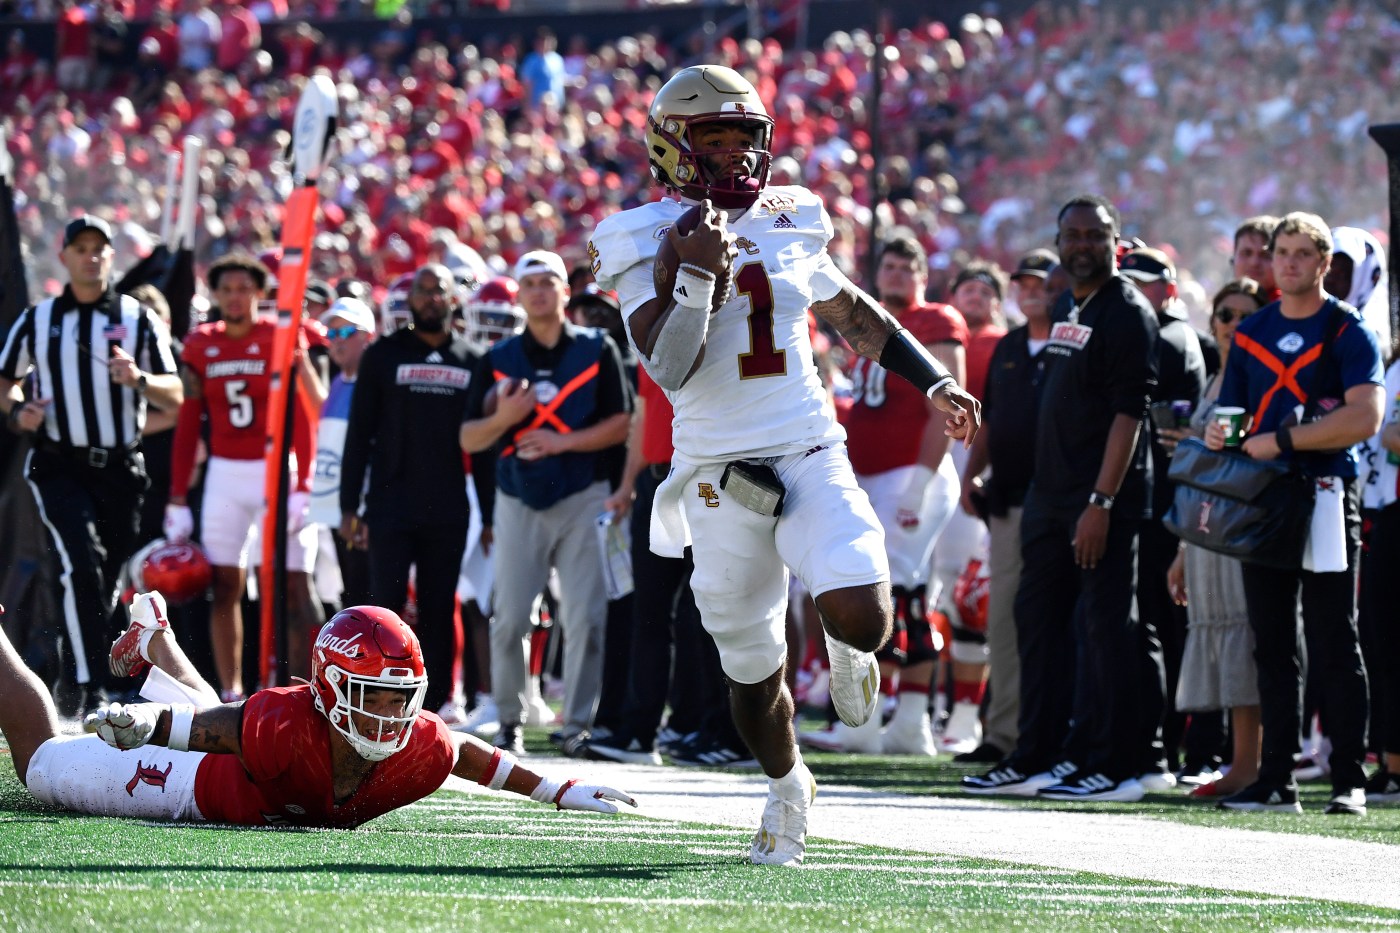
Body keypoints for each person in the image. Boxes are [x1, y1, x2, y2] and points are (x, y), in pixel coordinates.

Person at [587, 64, 979, 865]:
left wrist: (932, 378)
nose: (733, 156)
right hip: (714, 470)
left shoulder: (793, 214)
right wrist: (696, 278)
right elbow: (670, 366)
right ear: (671, 146)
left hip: (806, 443)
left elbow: (848, 312)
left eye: (744, 139)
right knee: (751, 664)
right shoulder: (635, 235)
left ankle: (843, 642)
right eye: (714, 140)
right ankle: (788, 782)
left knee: (867, 609)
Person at [0, 595, 634, 826]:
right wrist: (151, 726)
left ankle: (158, 638)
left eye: (402, 697)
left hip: (236, 751)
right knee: (39, 763)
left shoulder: (418, 744)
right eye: (374, 696)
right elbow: (217, 730)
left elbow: (468, 754)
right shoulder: (287, 721)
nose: (391, 717)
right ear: (329, 689)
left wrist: (558, 788)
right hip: (197, 781)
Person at [962, 194, 1159, 803]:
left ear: (1114, 242)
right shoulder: (1073, 303)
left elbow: (1130, 415)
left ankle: (1118, 763)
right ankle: (1038, 754)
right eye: (1071, 234)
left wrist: (1100, 501)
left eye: (1093, 235)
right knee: (1037, 624)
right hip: (1048, 494)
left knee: (1104, 628)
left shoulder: (1128, 312)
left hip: (1098, 500)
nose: (1080, 245)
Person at [1205, 211, 1383, 816]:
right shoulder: (1252, 332)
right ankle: (1276, 780)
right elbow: (1231, 419)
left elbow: (1365, 419)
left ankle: (1348, 779)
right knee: (1272, 640)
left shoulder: (1347, 329)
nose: (1287, 262)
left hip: (1329, 494)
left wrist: (1282, 441)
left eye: (1303, 253)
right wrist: (1217, 435)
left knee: (1335, 636)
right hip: (1265, 498)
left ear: (1325, 264)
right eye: (1281, 251)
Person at [0, 215, 182, 715]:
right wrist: (19, 410)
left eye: (98, 248)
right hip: (60, 462)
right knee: (80, 561)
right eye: (80, 248)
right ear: (65, 257)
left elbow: (176, 392)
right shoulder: (37, 321)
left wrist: (140, 378)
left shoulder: (137, 317)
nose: (90, 255)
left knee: (106, 575)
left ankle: (88, 670)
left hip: (122, 468)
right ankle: (89, 684)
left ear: (109, 255)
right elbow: (4, 380)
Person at [459, 250, 633, 756]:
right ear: (518, 293)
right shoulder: (497, 359)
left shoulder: (598, 349)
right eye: (529, 282)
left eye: (548, 281)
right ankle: (509, 719)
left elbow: (622, 424)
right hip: (517, 495)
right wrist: (505, 417)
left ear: (564, 291)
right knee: (510, 616)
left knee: (586, 617)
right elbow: (470, 437)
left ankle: (576, 724)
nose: (538, 291)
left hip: (583, 494)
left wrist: (560, 442)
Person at [805, 235, 966, 756]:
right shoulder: (865, 323)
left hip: (910, 476)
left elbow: (947, 408)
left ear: (922, 275)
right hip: (870, 476)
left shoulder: (936, 321)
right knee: (895, 593)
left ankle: (891, 719)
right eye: (888, 267)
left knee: (898, 594)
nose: (896, 275)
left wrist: (920, 481)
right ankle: (895, 723)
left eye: (906, 267)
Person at [164, 253, 321, 701]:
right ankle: (231, 691)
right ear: (214, 295)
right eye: (226, 289)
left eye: (243, 289)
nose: (235, 298)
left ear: (259, 293)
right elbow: (189, 420)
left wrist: (305, 481)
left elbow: (304, 416)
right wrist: (177, 496)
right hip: (225, 473)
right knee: (225, 583)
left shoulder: (279, 337)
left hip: (277, 469)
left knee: (293, 581)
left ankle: (304, 689)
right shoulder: (200, 344)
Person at [340, 264, 487, 720]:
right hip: (389, 503)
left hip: (448, 506)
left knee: (440, 605)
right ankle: (379, 694)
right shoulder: (382, 355)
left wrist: (493, 514)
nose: (429, 299)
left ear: (452, 299)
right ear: (409, 301)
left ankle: (437, 700)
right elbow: (358, 434)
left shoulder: (472, 358)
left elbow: (483, 448)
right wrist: (350, 504)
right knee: (384, 603)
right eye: (421, 291)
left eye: (437, 291)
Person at [1165, 278, 1267, 799]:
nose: (1232, 325)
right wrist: (1184, 548)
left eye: (1246, 316)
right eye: (1225, 315)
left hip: (1242, 530)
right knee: (1226, 639)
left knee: (1244, 641)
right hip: (1207, 529)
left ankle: (1248, 767)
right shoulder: (1216, 378)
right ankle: (1239, 764)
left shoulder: (1257, 380)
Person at [956, 248, 1058, 765]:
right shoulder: (1012, 346)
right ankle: (1001, 734)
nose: (1031, 289)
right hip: (1011, 498)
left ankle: (1050, 733)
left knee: (1054, 622)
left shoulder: (1074, 341)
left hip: (1061, 503)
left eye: (1041, 280)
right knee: (1003, 621)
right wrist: (972, 470)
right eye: (1024, 281)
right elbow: (990, 417)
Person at [1119, 247, 1207, 789]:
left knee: (1157, 626)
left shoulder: (1166, 337)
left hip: (1164, 504)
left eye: (1140, 282)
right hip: (1161, 500)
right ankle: (1163, 745)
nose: (1130, 291)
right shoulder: (1166, 332)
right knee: (1157, 627)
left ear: (1166, 289)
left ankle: (1158, 747)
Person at [308, 297, 375, 611]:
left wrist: (363, 508)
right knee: (348, 593)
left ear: (367, 335)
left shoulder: (375, 383)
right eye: (330, 334)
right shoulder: (337, 381)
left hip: (360, 510)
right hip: (334, 506)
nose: (335, 341)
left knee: (367, 595)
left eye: (344, 332)